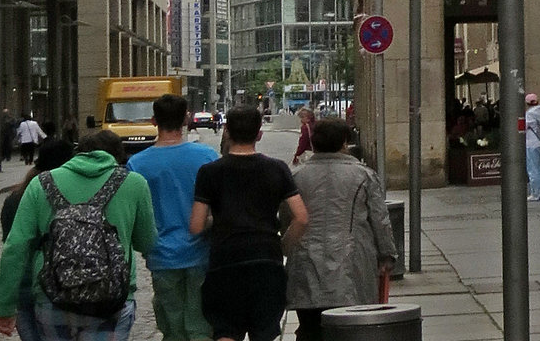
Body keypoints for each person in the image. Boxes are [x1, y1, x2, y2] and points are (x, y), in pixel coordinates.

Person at [0, 127, 155, 341]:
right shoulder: (134, 183)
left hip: (53, 296)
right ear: (118, 155)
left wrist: (5, 305)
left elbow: (16, 247)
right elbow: (147, 242)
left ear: (78, 152)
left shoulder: (41, 184)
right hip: (112, 298)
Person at [190, 104, 307, 341]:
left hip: (225, 260)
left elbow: (196, 225)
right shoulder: (277, 169)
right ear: (259, 133)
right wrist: (283, 246)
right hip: (266, 259)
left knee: (225, 330)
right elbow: (301, 217)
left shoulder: (209, 172)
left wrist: (218, 220)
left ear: (226, 132)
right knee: (263, 332)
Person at [286, 115, 397, 339]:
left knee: (310, 329)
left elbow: (287, 219)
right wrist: (387, 255)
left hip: (306, 265)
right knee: (351, 330)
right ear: (344, 143)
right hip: (352, 265)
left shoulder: (296, 177)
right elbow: (380, 220)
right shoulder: (364, 175)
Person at [127, 94, 215, 341]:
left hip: (161, 254)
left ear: (154, 121)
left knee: (172, 327)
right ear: (186, 120)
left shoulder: (137, 164)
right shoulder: (206, 157)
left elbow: (134, 215)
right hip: (201, 251)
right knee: (200, 325)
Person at [0, 140, 77, 341]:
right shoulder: (73, 197)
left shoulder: (15, 198)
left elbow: (12, 248)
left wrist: (4, 303)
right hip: (68, 286)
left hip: (26, 289)